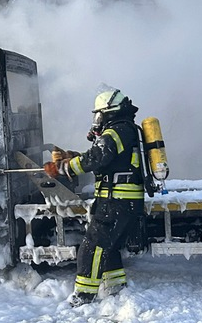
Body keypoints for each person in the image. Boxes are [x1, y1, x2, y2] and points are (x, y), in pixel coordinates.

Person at [45, 88, 144, 307]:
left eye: (98, 114)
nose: (96, 119)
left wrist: (64, 167)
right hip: (121, 201)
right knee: (107, 247)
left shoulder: (117, 131)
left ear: (108, 112)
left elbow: (99, 156)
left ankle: (83, 297)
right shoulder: (124, 130)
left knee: (91, 247)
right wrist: (75, 158)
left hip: (115, 201)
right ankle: (115, 289)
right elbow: (104, 159)